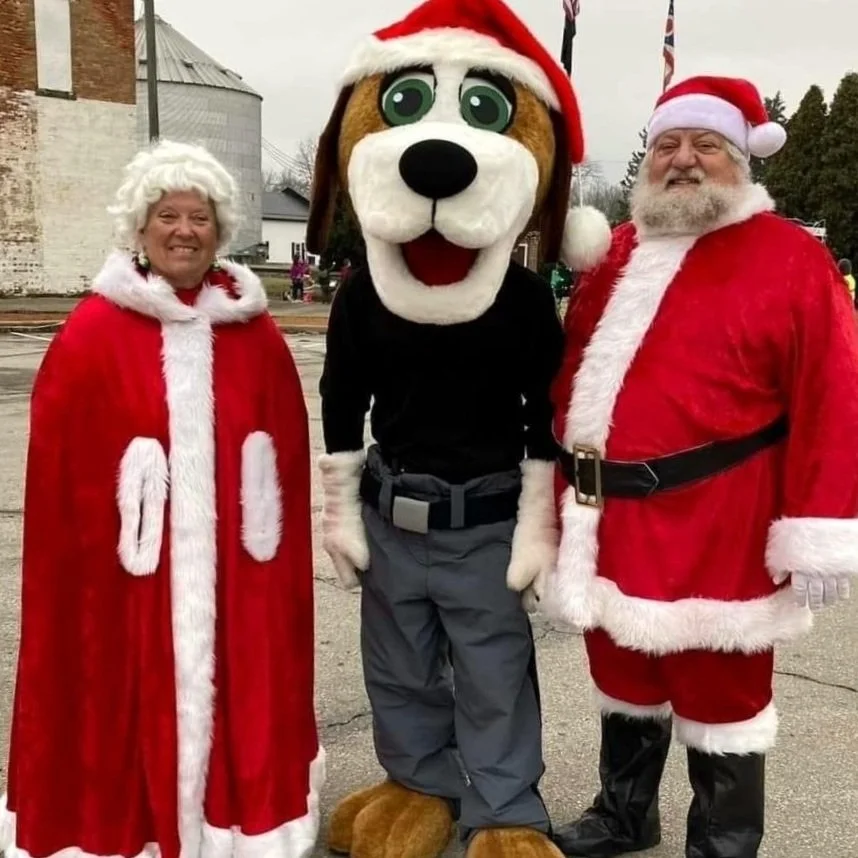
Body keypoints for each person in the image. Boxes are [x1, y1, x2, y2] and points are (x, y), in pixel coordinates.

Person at [306, 1, 611, 857]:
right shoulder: (365, 293)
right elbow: (340, 396)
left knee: (492, 672)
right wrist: (339, 511)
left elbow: (546, 411)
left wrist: (539, 521)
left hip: (484, 517)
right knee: (397, 666)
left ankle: (506, 809)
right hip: (391, 510)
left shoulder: (521, 300)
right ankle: (419, 785)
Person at [547, 76, 858, 858]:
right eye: (668, 145)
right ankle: (624, 814)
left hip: (723, 518)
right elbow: (573, 376)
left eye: (706, 145)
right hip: (612, 521)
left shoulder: (793, 257)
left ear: (740, 160)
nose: (683, 160)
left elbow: (834, 394)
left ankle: (723, 842)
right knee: (623, 673)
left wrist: (819, 527)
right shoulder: (618, 253)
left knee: (722, 692)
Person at [0, 140, 324, 858]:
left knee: (244, 684)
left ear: (220, 229)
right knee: (115, 694)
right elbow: (61, 482)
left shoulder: (256, 334)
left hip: (240, 571)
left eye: (199, 217)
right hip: (124, 576)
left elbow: (282, 463)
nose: (184, 231)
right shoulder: (92, 334)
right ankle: (127, 832)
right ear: (140, 228)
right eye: (168, 216)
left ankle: (234, 827)